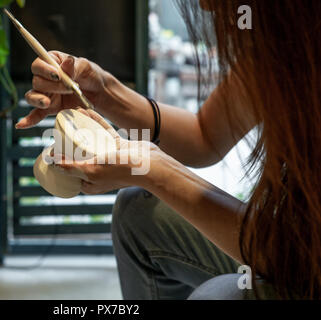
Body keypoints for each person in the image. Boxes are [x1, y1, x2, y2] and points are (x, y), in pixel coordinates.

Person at [16, 0, 321, 299]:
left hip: (303, 265)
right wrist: (103, 92)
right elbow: (204, 138)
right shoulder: (281, 50)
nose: (206, 6)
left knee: (218, 294)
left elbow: (290, 257)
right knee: (138, 211)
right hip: (286, 249)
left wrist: (151, 168)